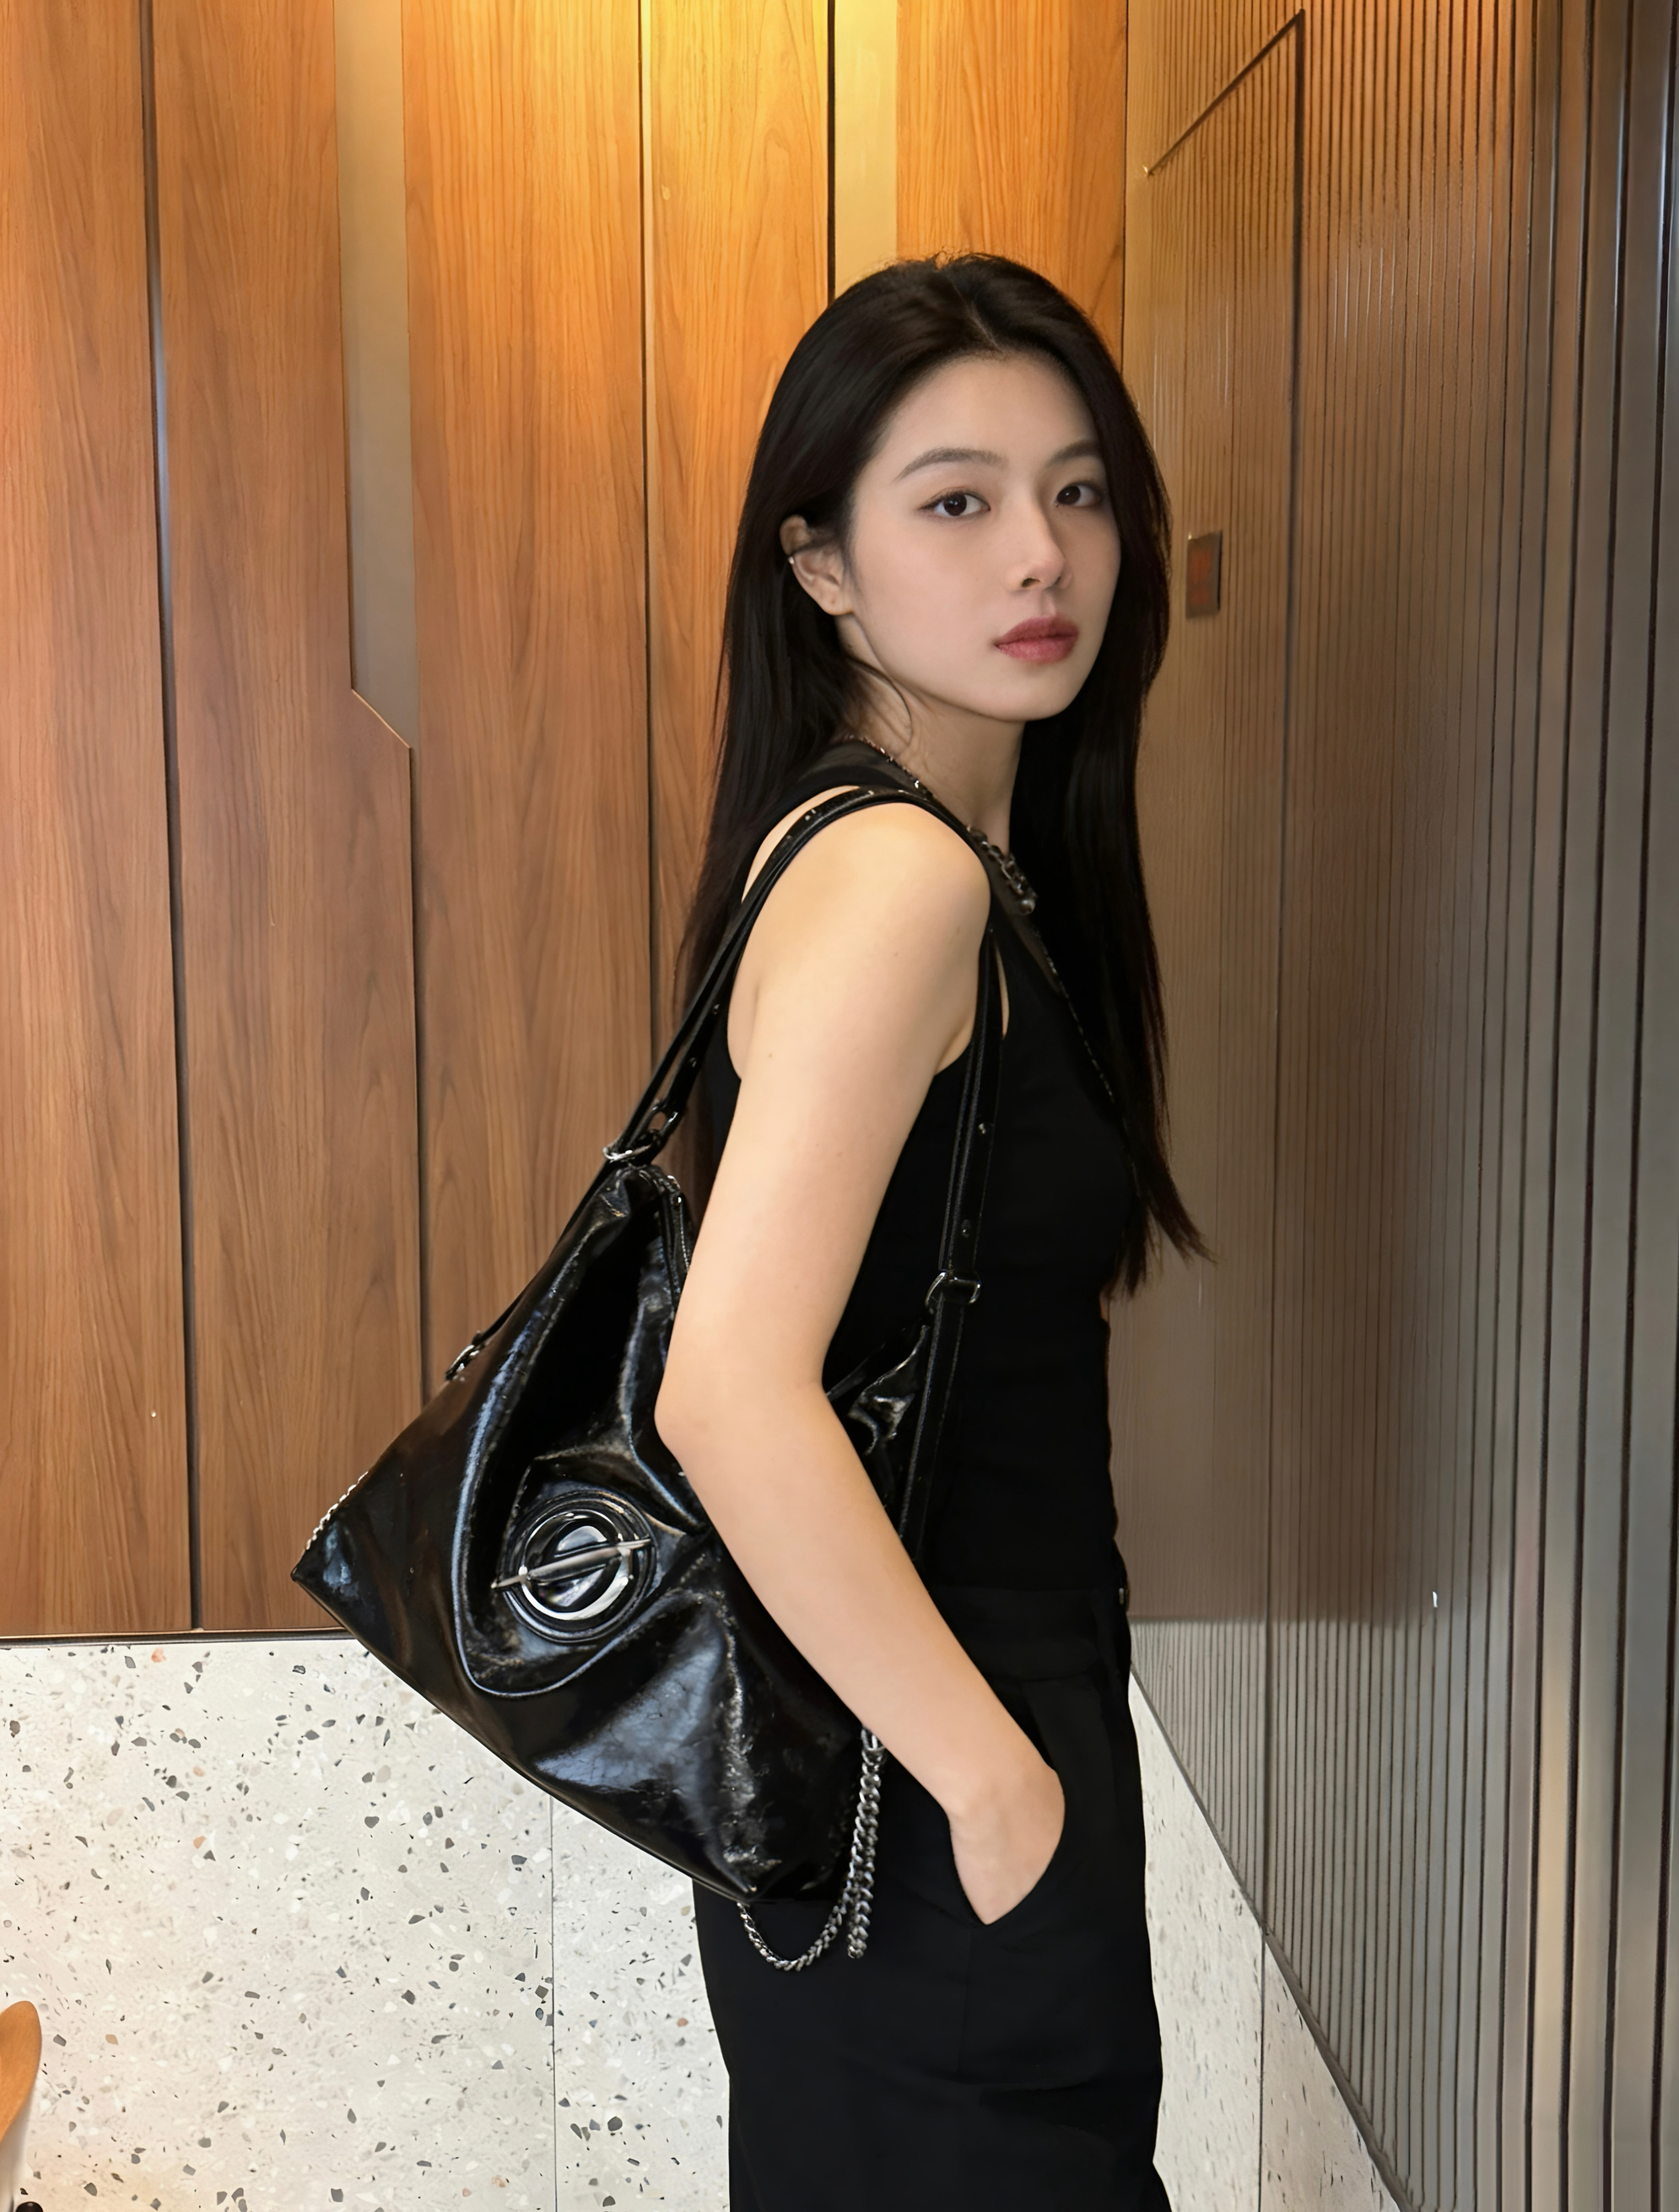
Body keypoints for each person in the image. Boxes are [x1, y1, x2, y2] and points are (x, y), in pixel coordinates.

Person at [654, 254, 1199, 2212]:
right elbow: (730, 1392)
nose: (1039, 554)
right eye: (954, 502)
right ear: (819, 566)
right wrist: (989, 1778)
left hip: (916, 1729)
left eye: (1077, 489)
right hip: (933, 1744)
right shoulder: (898, 877)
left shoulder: (943, 856)